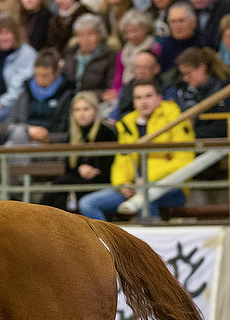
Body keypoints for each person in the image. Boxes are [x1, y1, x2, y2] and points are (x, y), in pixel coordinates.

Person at [78, 79, 194, 220]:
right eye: (138, 97)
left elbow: (184, 161)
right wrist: (122, 184)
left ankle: (149, 241)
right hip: (134, 187)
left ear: (159, 98)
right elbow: (122, 160)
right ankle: (108, 241)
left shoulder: (176, 119)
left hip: (169, 187)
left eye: (148, 96)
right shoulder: (127, 124)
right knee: (87, 204)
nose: (143, 101)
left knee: (145, 198)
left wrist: (146, 180)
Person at [38, 91, 115, 211]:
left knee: (62, 183)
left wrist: (91, 170)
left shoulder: (106, 132)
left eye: (86, 109)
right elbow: (68, 168)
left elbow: (109, 167)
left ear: (95, 110)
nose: (81, 114)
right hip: (77, 185)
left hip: (101, 184)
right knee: (60, 201)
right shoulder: (73, 135)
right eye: (77, 110)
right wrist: (80, 169)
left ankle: (37, 210)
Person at [5, 48, 74, 145]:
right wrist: (28, 129)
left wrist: (48, 137)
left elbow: (70, 133)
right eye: (37, 75)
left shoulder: (67, 95)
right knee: (15, 137)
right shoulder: (25, 93)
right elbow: (8, 124)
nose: (40, 80)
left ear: (56, 73)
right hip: (24, 139)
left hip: (52, 147)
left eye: (45, 76)